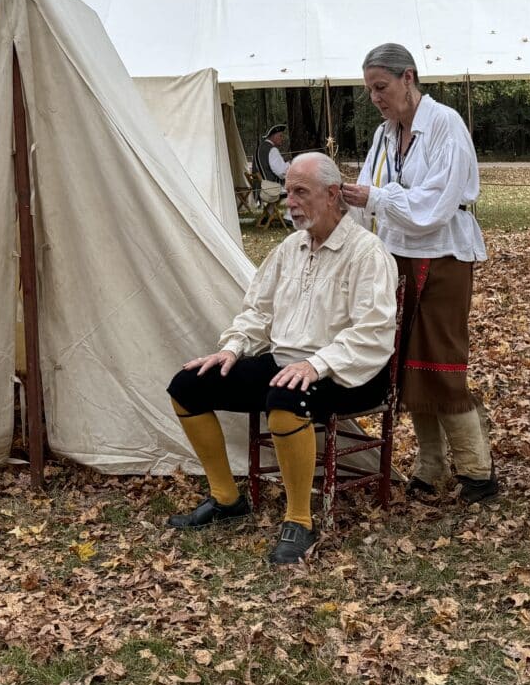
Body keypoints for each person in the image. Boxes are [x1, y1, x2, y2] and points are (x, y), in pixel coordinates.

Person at [166, 152, 398, 564]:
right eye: (288, 192)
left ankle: (299, 521)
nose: (290, 202)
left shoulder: (367, 252)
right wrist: (232, 348)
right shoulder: (289, 248)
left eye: (300, 192)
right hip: (285, 362)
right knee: (187, 386)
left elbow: (372, 331)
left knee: (286, 399)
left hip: (351, 370)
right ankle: (226, 498)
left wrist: (316, 365)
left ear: (332, 194)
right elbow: (257, 312)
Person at [340, 43, 496, 504]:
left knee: (440, 361)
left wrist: (376, 198)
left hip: (443, 254)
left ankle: (477, 471)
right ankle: (431, 466)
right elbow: (367, 192)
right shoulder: (385, 134)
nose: (375, 98)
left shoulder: (445, 124)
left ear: (408, 77)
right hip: (397, 256)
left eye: (381, 87)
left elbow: (436, 202)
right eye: (370, 90)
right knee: (407, 364)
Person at [254, 124, 289, 204]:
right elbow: (281, 172)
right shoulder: (272, 150)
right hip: (273, 189)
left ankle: (270, 211)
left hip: (260, 188)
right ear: (273, 136)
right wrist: (290, 165)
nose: (282, 139)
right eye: (280, 136)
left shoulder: (258, 149)